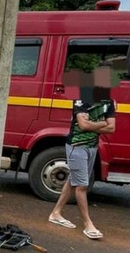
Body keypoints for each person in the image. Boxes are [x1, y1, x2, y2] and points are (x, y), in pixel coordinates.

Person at [48, 97, 116, 239]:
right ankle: (88, 224)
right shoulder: (80, 101)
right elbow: (83, 126)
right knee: (82, 186)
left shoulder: (108, 102)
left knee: (74, 179)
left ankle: (55, 213)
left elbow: (112, 128)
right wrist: (103, 122)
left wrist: (92, 123)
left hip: (92, 147)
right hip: (76, 146)